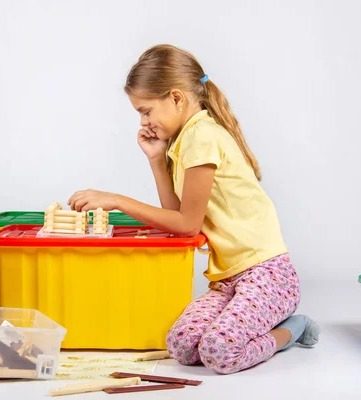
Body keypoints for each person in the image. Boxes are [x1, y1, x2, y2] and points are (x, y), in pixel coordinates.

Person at [68, 44, 319, 374]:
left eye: (146, 111)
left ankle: (293, 328)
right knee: (182, 346)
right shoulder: (185, 138)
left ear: (175, 98)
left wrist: (116, 200)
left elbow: (186, 225)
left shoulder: (201, 136)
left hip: (266, 274)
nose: (144, 121)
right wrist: (157, 159)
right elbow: (178, 217)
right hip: (230, 279)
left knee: (220, 353)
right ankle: (258, 321)